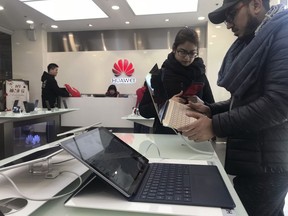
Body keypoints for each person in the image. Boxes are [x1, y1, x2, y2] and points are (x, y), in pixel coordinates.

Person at [178, 1, 288, 215]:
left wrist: (215, 126)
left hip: (267, 167)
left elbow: (279, 104)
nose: (228, 24)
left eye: (230, 14)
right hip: (257, 162)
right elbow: (245, 100)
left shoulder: (282, 34)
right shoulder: (263, 37)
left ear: (255, 5)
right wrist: (211, 110)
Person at [139, 27, 215, 134]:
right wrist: (167, 105)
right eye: (182, 52)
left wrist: (202, 105)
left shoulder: (200, 74)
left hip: (195, 135)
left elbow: (212, 106)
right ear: (174, 48)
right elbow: (143, 110)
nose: (187, 58)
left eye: (192, 53)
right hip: (166, 137)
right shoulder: (160, 75)